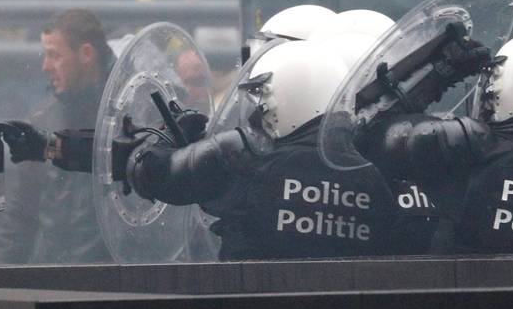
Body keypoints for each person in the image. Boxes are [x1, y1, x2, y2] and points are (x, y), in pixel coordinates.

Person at [123, 40, 397, 260]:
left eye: (264, 98)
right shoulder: (372, 177)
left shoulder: (243, 157)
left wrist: (167, 136)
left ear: (288, 97)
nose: (258, 111)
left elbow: (152, 174)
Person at [359, 31, 513, 253]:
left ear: (495, 90)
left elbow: (367, 137)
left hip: (462, 295)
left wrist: (440, 71)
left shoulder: (466, 146)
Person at [0, 9, 115, 264]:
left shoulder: (128, 113)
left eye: (54, 55)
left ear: (86, 54)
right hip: (56, 276)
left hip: (116, 280)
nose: (45, 66)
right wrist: (0, 276)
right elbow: (21, 215)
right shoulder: (43, 121)